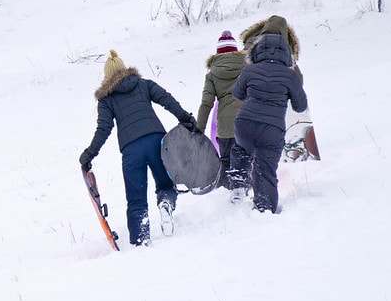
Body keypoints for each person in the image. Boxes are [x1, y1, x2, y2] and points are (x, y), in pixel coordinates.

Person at [79, 49, 200, 246]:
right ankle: (166, 203)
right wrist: (186, 119)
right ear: (124, 68)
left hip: (131, 150)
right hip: (157, 142)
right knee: (165, 184)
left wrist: (89, 154)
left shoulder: (106, 99)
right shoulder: (143, 84)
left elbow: (104, 128)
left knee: (136, 198)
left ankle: (141, 239)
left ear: (106, 75)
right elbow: (166, 99)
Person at [229, 34, 308, 213]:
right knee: (265, 170)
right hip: (272, 129)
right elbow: (300, 106)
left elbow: (237, 94)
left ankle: (239, 181)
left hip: (245, 123)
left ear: (256, 51)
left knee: (241, 148)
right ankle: (264, 208)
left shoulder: (249, 71)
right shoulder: (290, 76)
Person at [195, 30, 246, 189]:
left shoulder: (212, 74)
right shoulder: (248, 68)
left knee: (226, 161)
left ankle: (226, 196)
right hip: (248, 121)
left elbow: (206, 104)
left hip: (225, 127)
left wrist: (199, 129)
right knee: (248, 158)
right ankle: (245, 190)